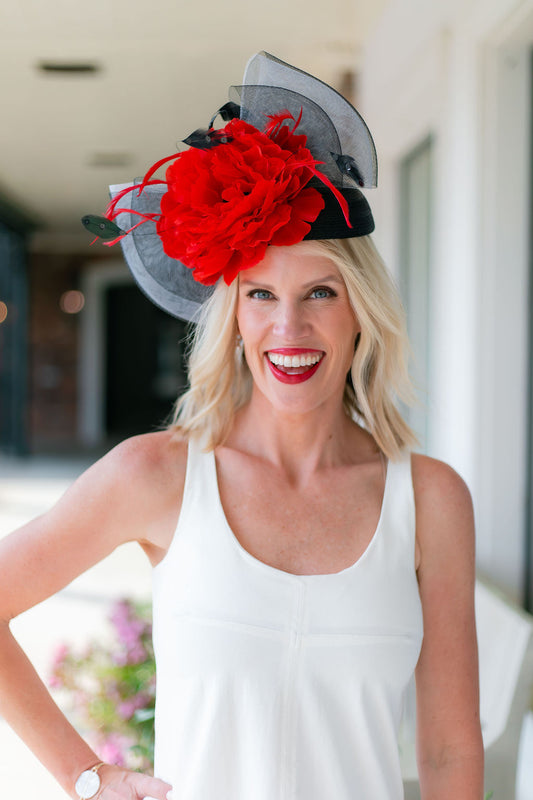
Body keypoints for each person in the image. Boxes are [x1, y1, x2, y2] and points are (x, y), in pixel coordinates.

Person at [0, 52, 483, 800]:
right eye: (260, 294)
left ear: (361, 312)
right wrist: (89, 776)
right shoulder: (156, 474)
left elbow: (450, 750)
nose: (288, 329)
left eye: (319, 291)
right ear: (231, 318)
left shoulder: (430, 500)